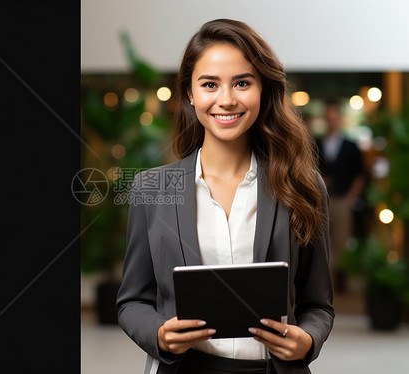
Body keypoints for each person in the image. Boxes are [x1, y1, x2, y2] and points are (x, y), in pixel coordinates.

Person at [116, 19, 334, 374]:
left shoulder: (302, 186)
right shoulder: (151, 188)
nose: (227, 99)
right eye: (210, 84)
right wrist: (159, 334)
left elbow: (319, 305)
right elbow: (132, 301)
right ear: (190, 92)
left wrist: (308, 339)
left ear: (263, 89)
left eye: (243, 83)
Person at [314, 99, 366, 291]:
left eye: (335, 117)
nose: (332, 121)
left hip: (343, 199)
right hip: (320, 201)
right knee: (321, 243)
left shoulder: (351, 146)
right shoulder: (316, 143)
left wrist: (351, 198)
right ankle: (323, 285)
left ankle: (341, 285)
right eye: (329, 117)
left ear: (340, 119)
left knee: (342, 242)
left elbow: (360, 175)